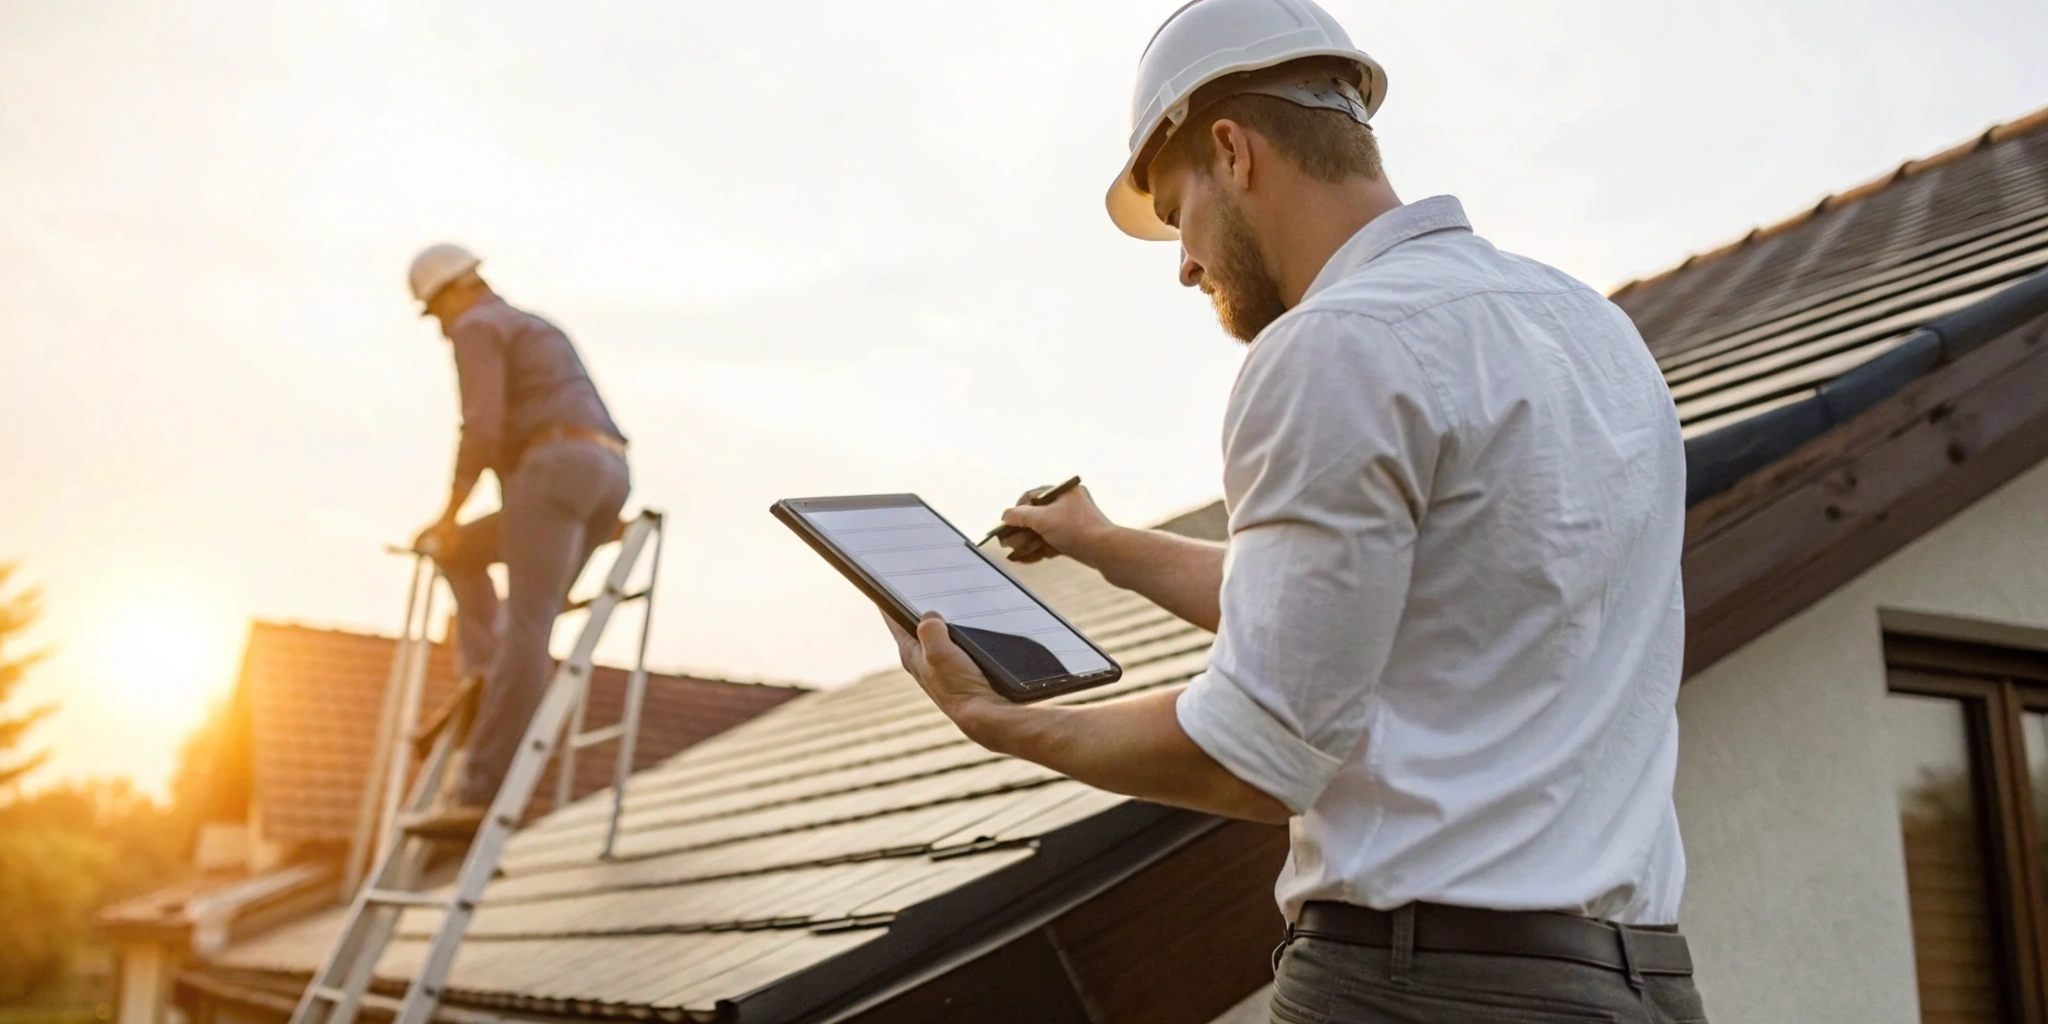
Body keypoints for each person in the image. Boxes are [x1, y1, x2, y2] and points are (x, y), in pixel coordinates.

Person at [883, 1, 1706, 1020]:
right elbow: (1366, 617)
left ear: (1230, 150)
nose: (1183, 261)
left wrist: (1005, 724)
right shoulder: (1589, 328)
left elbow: (1256, 747)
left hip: (1426, 990)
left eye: (1177, 212)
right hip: (1639, 984)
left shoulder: (1333, 344)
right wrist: (1100, 545)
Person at [403, 243, 631, 837]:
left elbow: (480, 427)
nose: (442, 328)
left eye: (436, 313)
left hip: (553, 470)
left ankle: (479, 786)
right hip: (606, 477)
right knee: (528, 614)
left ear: (454, 291)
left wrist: (449, 512)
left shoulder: (477, 326)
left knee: (521, 621)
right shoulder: (534, 325)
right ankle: (487, 669)